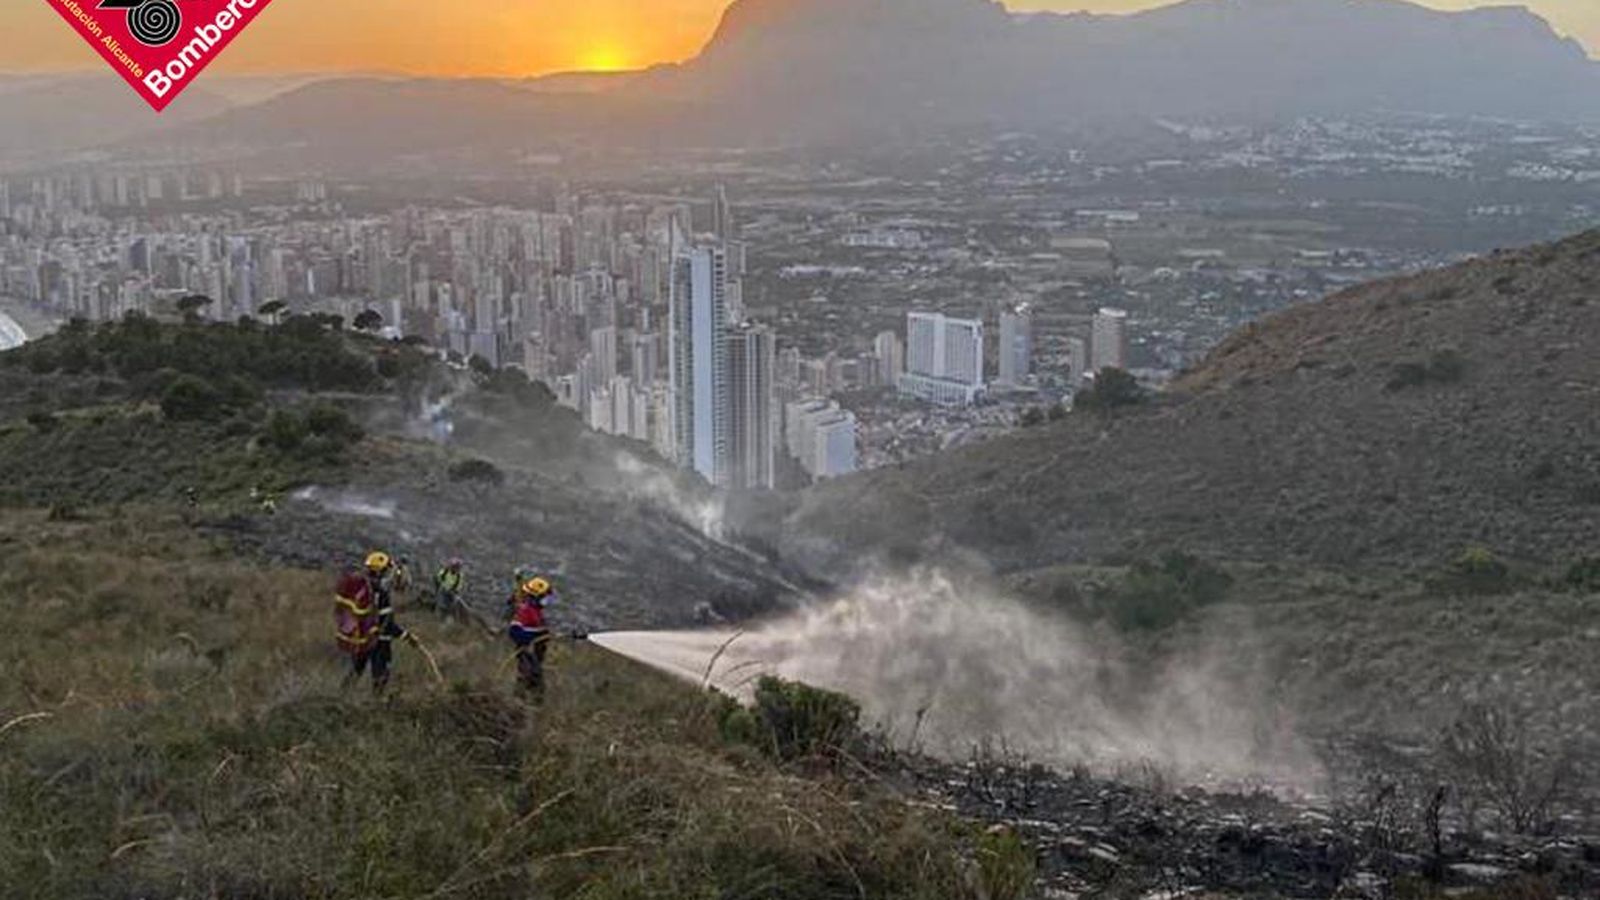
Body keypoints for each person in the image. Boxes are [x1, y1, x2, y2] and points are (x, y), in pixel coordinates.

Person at [340, 551, 412, 693]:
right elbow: (386, 621)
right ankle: (376, 705)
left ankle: (341, 696)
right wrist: (404, 635)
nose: (388, 572)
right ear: (380, 571)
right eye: (386, 569)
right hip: (379, 640)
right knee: (381, 673)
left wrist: (400, 568)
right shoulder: (379, 592)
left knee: (356, 669)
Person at [507, 577, 556, 698]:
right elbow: (514, 631)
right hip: (526, 652)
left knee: (533, 681)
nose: (547, 600)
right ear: (536, 597)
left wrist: (545, 634)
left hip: (534, 653)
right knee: (531, 680)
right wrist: (536, 635)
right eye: (544, 597)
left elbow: (540, 629)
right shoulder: (526, 611)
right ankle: (519, 705)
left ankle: (523, 704)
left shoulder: (536, 611)